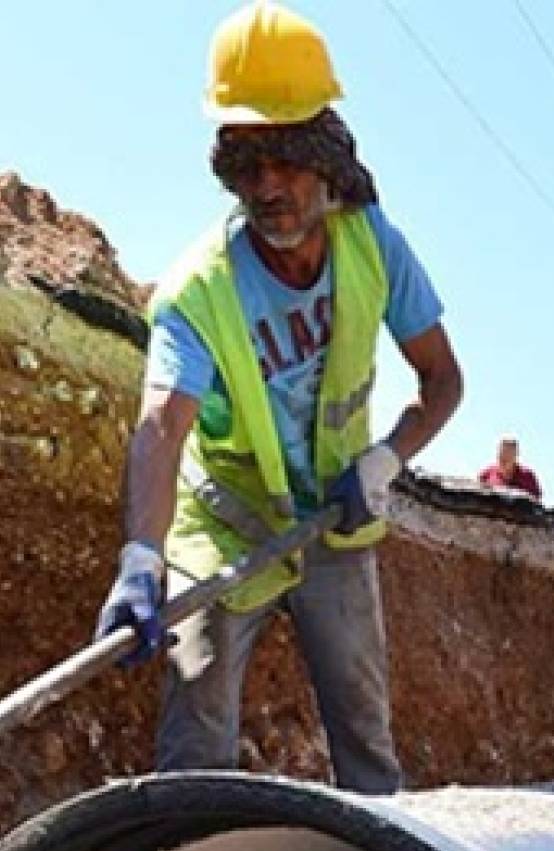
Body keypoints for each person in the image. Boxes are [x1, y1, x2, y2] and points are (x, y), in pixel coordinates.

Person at [94, 0, 463, 795]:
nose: (268, 186)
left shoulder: (373, 247)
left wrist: (386, 461)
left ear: (325, 156)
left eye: (286, 159)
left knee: (366, 738)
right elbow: (162, 427)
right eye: (247, 163)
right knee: (196, 732)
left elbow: (444, 381)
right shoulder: (200, 293)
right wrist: (141, 558)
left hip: (334, 521)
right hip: (227, 527)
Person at [478, 435, 542, 501]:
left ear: (516, 456)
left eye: (507, 455)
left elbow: (536, 502)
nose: (503, 459)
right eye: (501, 454)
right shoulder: (486, 474)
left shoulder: (528, 477)